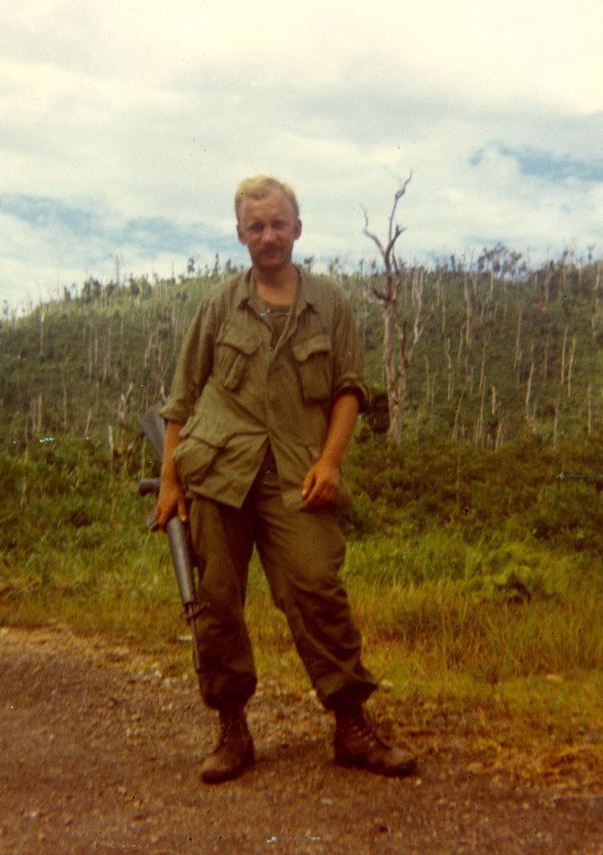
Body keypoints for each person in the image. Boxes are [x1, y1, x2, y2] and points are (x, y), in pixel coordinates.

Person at [156, 175, 416, 783]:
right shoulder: (220, 305)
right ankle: (231, 729)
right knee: (216, 602)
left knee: (317, 587)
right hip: (219, 474)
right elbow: (182, 400)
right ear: (241, 235)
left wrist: (330, 463)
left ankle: (351, 724)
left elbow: (350, 390)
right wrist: (171, 483)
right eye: (256, 226)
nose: (268, 236)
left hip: (297, 474)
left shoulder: (330, 305)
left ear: (297, 227)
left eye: (278, 224)